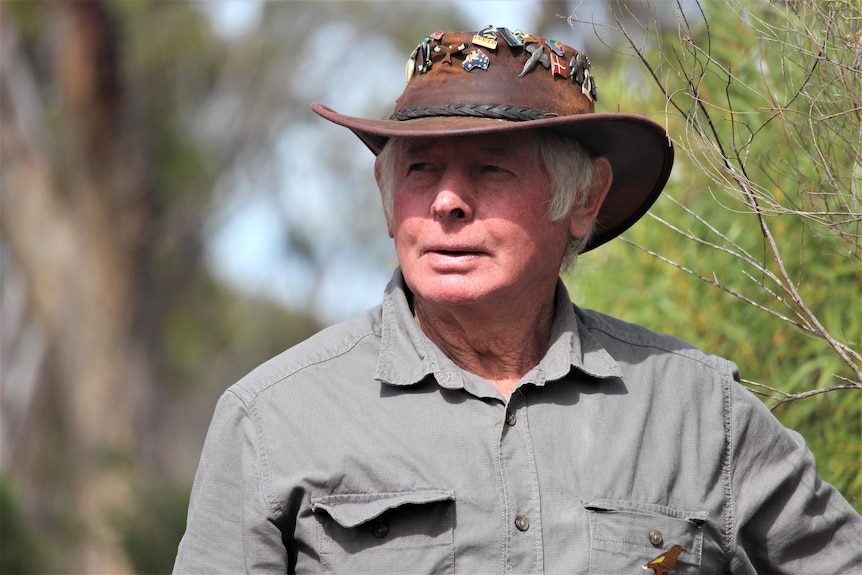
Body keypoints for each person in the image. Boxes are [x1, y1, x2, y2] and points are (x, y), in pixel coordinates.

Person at [173, 28, 861, 574]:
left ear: (583, 200)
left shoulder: (699, 412)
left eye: (490, 168)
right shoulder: (272, 420)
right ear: (387, 203)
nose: (447, 201)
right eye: (420, 169)